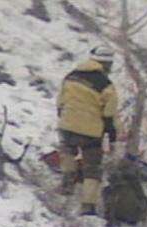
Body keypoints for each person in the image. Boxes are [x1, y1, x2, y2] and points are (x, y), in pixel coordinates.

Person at [56, 45, 119, 216]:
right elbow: (109, 113)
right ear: (107, 65)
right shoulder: (106, 85)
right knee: (92, 167)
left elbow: (60, 102)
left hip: (67, 124)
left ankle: (66, 184)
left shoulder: (71, 76)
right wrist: (110, 134)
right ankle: (88, 206)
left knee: (68, 151)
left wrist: (64, 117)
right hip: (90, 131)